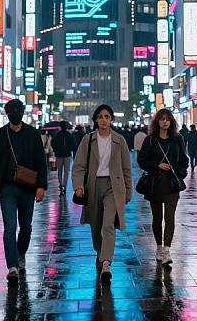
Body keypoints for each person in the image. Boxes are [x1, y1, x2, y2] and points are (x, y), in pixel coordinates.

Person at [0, 99, 47, 282]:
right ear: (7, 113)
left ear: (22, 112)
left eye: (17, 111)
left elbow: (40, 161)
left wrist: (41, 186)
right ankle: (12, 265)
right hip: (7, 187)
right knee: (10, 226)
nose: (14, 114)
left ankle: (20, 252)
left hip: (27, 186)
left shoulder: (32, 134)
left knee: (26, 227)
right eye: (11, 111)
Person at [72, 105, 132, 285]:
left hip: (113, 186)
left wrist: (127, 190)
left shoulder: (119, 140)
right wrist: (78, 186)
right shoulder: (88, 140)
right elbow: (79, 166)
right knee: (96, 224)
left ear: (111, 119)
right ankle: (100, 253)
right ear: (96, 120)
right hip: (93, 185)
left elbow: (126, 168)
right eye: (100, 117)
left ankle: (106, 262)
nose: (104, 120)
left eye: (107, 116)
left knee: (108, 224)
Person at [138, 109, 188, 265]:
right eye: (161, 119)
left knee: (170, 218)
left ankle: (166, 250)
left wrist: (179, 174)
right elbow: (142, 160)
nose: (164, 122)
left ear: (171, 121)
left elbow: (183, 160)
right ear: (157, 122)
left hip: (172, 184)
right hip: (155, 184)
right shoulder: (150, 140)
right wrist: (157, 165)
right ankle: (159, 247)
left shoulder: (177, 139)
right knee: (157, 218)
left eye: (167, 119)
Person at [51, 121, 77, 196]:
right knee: (66, 171)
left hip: (59, 155)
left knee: (59, 171)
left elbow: (53, 143)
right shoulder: (69, 135)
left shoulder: (57, 135)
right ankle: (64, 186)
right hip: (67, 155)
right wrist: (70, 149)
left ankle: (60, 184)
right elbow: (74, 144)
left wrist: (56, 150)